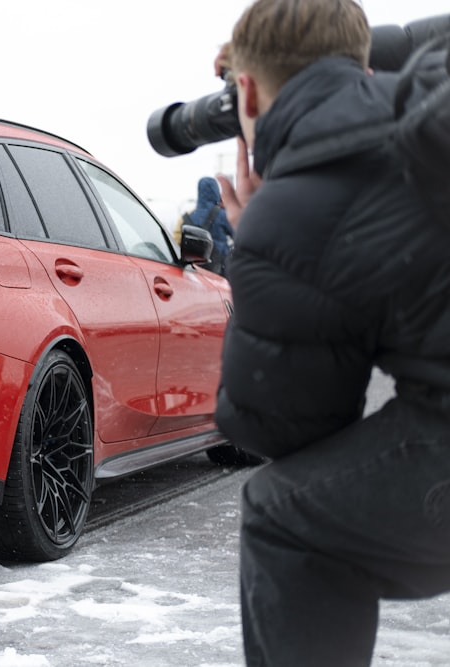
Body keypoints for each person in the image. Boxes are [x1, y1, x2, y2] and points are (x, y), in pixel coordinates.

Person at [211, 1, 450, 665]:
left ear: (248, 92)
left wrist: (264, 247)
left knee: (282, 516)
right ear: (366, 67)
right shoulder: (425, 112)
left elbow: (281, 427)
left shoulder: (292, 208)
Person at [175, 176, 234, 275]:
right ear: (216, 191)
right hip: (218, 269)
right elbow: (239, 234)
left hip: (194, 270)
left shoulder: (186, 217)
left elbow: (176, 240)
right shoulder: (222, 215)